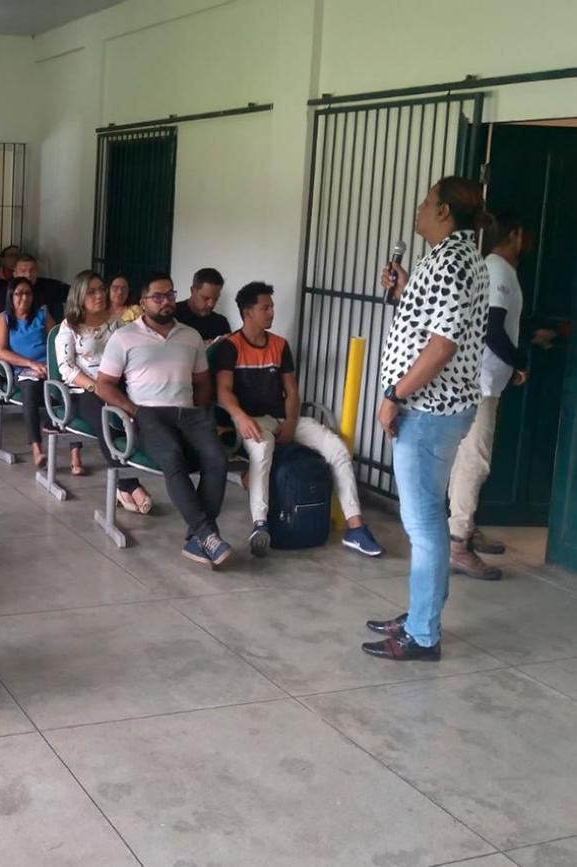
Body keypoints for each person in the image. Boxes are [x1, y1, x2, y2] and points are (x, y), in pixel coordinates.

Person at [364, 177, 490, 662]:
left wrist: (394, 395)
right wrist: (400, 293)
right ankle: (421, 614)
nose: (418, 209)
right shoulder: (442, 258)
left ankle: (423, 635)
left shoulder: (456, 262)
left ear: (444, 212)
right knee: (425, 520)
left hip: (430, 411)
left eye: (425, 202)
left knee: (424, 524)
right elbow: (425, 328)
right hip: (428, 408)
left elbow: (442, 347)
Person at [213, 282, 384, 558]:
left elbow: (291, 390)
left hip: (284, 417)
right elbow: (223, 391)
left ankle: (356, 526)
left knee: (337, 448)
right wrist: (240, 416)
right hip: (252, 420)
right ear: (247, 312)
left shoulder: (280, 345)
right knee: (262, 448)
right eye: (264, 307)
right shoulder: (230, 347)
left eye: (271, 306)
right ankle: (261, 523)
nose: (271, 312)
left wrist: (291, 422)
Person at [96, 272, 233, 568]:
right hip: (148, 413)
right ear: (143, 302)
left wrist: (201, 408)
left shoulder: (191, 335)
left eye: (170, 295)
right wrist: (134, 411)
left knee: (218, 459)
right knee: (172, 457)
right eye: (157, 297)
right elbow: (103, 385)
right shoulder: (124, 337)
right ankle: (207, 533)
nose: (166, 302)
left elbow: (202, 382)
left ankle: (198, 540)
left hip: (190, 413)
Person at [447, 209, 527, 581]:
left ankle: (465, 525)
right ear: (517, 235)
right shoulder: (496, 270)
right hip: (479, 382)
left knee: (471, 457)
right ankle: (458, 545)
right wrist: (520, 361)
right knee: (474, 459)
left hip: (485, 381)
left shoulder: (498, 270)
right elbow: (493, 329)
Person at [55, 270, 152, 508]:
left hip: (115, 383)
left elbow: (130, 352)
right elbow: (65, 367)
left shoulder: (115, 321)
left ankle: (129, 481)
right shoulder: (69, 326)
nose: (99, 295)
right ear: (79, 296)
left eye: (101, 289)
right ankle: (128, 484)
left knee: (140, 411)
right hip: (83, 390)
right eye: (91, 291)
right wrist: (94, 386)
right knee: (107, 419)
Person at [0, 277, 60, 468]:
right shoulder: (4, 319)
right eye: (18, 293)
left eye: (28, 293)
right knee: (30, 390)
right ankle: (37, 448)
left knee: (70, 390)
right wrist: (31, 364)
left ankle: (75, 455)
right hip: (21, 371)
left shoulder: (42, 315)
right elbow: (1, 352)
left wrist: (50, 367)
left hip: (47, 368)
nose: (24, 297)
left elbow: (57, 341)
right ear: (11, 296)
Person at [174, 267, 232, 344]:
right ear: (192, 291)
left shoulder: (221, 322)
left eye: (215, 299)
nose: (211, 304)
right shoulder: (172, 315)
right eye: (206, 298)